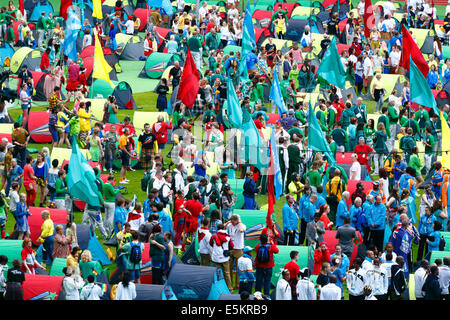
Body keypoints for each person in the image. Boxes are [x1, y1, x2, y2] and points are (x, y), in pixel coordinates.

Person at [225, 214, 246, 290]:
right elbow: (223, 227)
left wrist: (239, 222)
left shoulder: (242, 225)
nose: (233, 223)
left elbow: (241, 230)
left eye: (234, 221)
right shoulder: (229, 225)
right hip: (230, 248)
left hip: (238, 249)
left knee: (238, 267)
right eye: (232, 221)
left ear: (237, 220)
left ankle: (237, 285)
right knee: (229, 267)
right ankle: (230, 285)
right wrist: (228, 222)